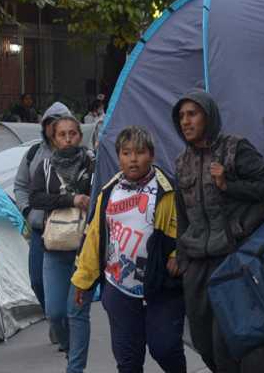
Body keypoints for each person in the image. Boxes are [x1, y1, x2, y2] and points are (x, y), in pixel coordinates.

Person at [171, 89, 264, 372]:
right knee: (204, 343)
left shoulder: (235, 148)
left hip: (231, 256)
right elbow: (183, 215)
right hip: (196, 262)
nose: (185, 122)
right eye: (181, 116)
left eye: (192, 114)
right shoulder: (181, 162)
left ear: (208, 116)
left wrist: (228, 185)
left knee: (225, 342)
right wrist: (181, 255)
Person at [71, 126, 186, 373]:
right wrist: (83, 279)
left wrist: (178, 255)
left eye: (140, 152)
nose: (133, 159)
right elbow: (94, 237)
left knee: (165, 348)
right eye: (126, 153)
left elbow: (186, 228)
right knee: (128, 360)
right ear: (118, 156)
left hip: (161, 287)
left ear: (151, 155)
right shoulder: (109, 191)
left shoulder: (168, 190)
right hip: (119, 288)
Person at [30, 116, 94, 373]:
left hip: (85, 250)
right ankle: (70, 349)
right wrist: (71, 199)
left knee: (76, 312)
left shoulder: (93, 164)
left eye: (72, 133)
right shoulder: (45, 167)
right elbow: (35, 198)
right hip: (55, 248)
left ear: (80, 135)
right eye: (62, 135)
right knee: (55, 313)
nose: (68, 139)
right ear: (53, 139)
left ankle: (75, 368)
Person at [14, 101, 73, 343]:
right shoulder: (34, 154)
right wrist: (27, 210)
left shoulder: (81, 155)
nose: (55, 128)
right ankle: (55, 320)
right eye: (50, 123)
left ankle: (66, 330)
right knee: (37, 281)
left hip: (72, 232)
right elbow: (21, 186)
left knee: (71, 287)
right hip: (41, 231)